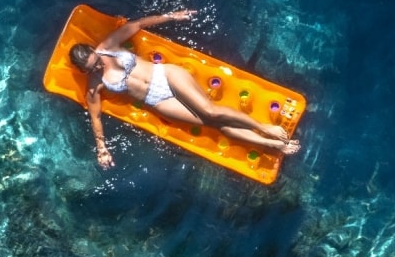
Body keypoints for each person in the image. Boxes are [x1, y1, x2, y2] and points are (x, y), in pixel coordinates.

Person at [70, 9, 302, 169]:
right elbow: (95, 116)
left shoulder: (108, 45)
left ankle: (264, 128)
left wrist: (171, 16)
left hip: (166, 75)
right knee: (216, 125)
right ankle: (271, 144)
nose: (98, 66)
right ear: (83, 71)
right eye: (92, 68)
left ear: (93, 50)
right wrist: (101, 148)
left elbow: (136, 24)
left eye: (96, 60)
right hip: (157, 100)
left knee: (210, 111)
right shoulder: (94, 85)